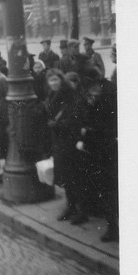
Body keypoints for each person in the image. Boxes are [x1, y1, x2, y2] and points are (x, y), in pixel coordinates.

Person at [76, 76, 119, 242]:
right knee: (106, 188)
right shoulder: (100, 95)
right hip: (99, 149)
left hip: (105, 150)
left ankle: (113, 227)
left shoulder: (106, 99)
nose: (91, 96)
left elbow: (102, 127)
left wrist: (87, 133)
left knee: (108, 188)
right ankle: (112, 226)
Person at [45, 68, 86, 224]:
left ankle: (81, 211)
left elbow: (74, 118)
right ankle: (71, 206)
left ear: (61, 80)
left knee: (75, 176)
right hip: (59, 141)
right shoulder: (52, 96)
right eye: (51, 80)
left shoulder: (69, 95)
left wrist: (58, 125)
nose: (54, 83)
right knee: (66, 177)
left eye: (56, 80)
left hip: (69, 141)